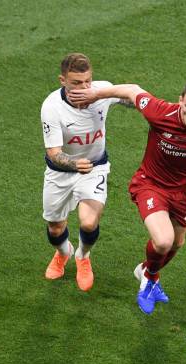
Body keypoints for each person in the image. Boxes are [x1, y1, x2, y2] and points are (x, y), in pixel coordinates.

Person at [70, 80, 186, 313]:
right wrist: (96, 94)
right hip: (150, 185)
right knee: (163, 241)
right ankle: (148, 283)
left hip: (181, 191)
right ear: (180, 101)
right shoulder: (160, 111)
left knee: (177, 243)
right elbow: (132, 90)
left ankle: (147, 272)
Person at [40, 53, 125, 291]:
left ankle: (83, 257)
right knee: (55, 227)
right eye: (76, 83)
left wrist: (148, 106)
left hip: (95, 168)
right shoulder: (52, 107)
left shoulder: (101, 92)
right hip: (60, 173)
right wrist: (74, 163)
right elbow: (54, 152)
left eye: (87, 81)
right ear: (62, 80)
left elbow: (132, 97)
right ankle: (63, 253)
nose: (84, 87)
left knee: (88, 222)